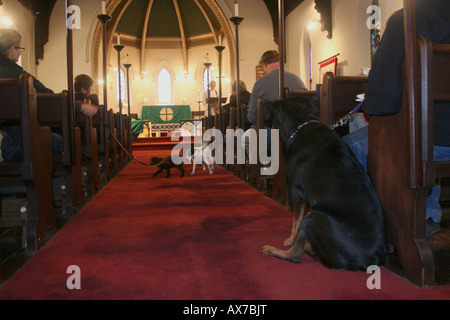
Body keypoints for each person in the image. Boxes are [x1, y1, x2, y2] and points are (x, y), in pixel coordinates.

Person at [343, 0, 450, 238]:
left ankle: (371, 224)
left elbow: (382, 101)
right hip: (439, 135)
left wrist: (370, 104)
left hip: (435, 140)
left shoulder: (408, 20)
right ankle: (428, 212)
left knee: (349, 147)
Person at [0, 28, 97, 161]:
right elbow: (50, 99)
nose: (21, 52)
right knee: (63, 140)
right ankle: (57, 179)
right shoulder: (21, 76)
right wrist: (81, 107)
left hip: (4, 139)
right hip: (22, 140)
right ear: (12, 50)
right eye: (21, 48)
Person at [247, 50, 307, 125]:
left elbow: (252, 117)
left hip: (274, 132)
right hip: (299, 130)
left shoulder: (260, 83)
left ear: (264, 64)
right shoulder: (297, 79)